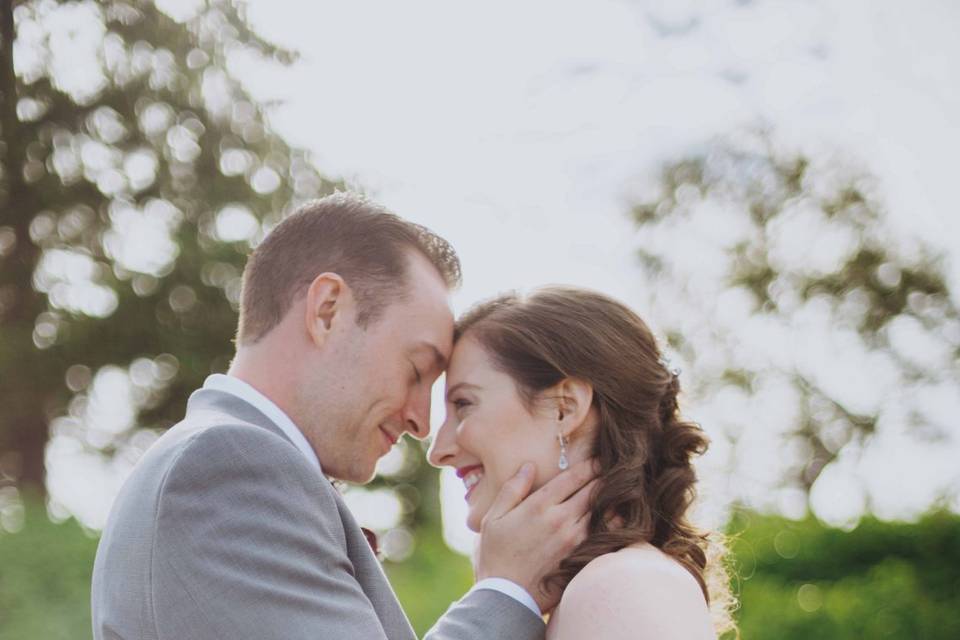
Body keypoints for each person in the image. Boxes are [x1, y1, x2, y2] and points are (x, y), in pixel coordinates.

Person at [91, 194, 596, 640]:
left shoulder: (223, 464)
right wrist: (507, 592)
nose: (422, 423)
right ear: (328, 309)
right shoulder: (223, 467)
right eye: (416, 369)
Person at [429, 286, 739, 639]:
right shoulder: (594, 591)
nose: (438, 450)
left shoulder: (618, 586)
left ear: (565, 408)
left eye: (464, 404)